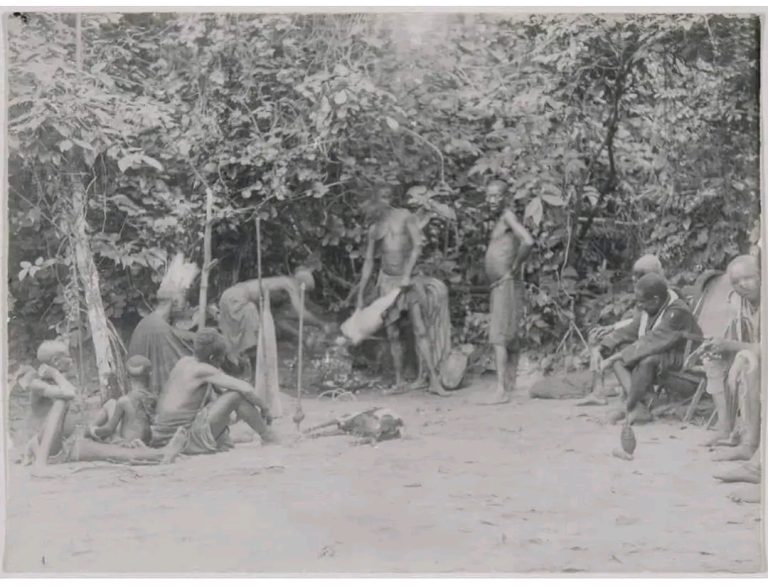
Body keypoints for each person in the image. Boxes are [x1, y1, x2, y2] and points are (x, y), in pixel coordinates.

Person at [19, 341, 187, 466]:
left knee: (114, 445)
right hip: (52, 449)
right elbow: (69, 394)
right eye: (68, 356)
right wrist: (56, 374)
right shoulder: (37, 384)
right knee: (115, 453)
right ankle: (161, 454)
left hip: (70, 442)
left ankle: (145, 450)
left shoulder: (58, 382)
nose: (71, 360)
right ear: (56, 361)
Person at [355, 186, 449, 397]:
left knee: (420, 330)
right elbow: (369, 262)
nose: (384, 202)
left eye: (388, 196)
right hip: (387, 283)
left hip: (410, 281)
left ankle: (434, 380)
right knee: (392, 333)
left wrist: (407, 274)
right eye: (381, 197)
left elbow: (418, 245)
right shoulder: (374, 229)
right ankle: (399, 382)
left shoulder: (405, 217)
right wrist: (361, 294)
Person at [150, 328, 276, 455]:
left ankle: (251, 435)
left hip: (161, 435)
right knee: (236, 396)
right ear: (212, 357)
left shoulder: (183, 362)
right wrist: (265, 408)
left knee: (227, 403)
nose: (222, 362)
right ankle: (268, 436)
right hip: (181, 439)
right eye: (221, 358)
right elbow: (246, 389)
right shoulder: (202, 370)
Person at [597, 273, 702, 424]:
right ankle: (639, 408)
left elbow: (653, 340)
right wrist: (603, 346)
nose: (639, 306)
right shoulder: (651, 308)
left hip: (685, 357)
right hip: (663, 352)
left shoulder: (678, 311)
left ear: (655, 299)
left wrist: (614, 357)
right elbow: (631, 329)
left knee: (647, 359)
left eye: (642, 302)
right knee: (619, 359)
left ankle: (629, 406)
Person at [580, 255, 671, 406]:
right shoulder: (650, 290)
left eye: (640, 275)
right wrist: (612, 330)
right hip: (646, 338)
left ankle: (637, 399)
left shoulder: (664, 294)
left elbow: (646, 325)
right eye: (635, 276)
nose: (635, 280)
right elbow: (638, 321)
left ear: (654, 274)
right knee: (599, 338)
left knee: (616, 347)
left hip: (660, 345)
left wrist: (612, 334)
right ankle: (599, 391)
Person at [700, 255, 761, 461]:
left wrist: (735, 348)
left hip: (758, 359)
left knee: (749, 366)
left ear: (761, 276)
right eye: (735, 282)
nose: (742, 285)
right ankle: (725, 427)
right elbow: (739, 334)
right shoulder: (740, 303)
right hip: (751, 353)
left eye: (748, 278)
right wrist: (720, 344)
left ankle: (749, 444)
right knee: (714, 359)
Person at [218, 265, 332, 370]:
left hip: (228, 295)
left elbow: (279, 320)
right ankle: (255, 377)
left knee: (237, 340)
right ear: (301, 285)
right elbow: (301, 314)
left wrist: (302, 336)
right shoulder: (289, 284)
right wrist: (321, 324)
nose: (303, 296)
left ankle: (235, 369)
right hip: (238, 299)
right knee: (253, 340)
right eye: (305, 292)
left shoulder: (278, 285)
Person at [479, 187, 534, 405]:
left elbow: (528, 241)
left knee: (499, 335)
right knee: (507, 331)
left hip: (505, 282)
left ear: (504, 198)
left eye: (496, 196)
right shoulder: (500, 219)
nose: (491, 200)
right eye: (489, 196)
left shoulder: (508, 216)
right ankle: (509, 383)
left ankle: (502, 389)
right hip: (500, 284)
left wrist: (514, 267)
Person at [128, 253, 199, 398]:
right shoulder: (158, 327)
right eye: (182, 300)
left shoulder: (150, 322)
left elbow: (171, 334)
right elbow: (178, 359)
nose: (184, 305)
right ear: (175, 301)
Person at [87, 355, 155, 446]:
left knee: (110, 404)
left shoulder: (124, 401)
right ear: (150, 375)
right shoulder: (153, 397)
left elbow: (109, 429)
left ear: (127, 375)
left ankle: (90, 429)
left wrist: (94, 431)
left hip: (126, 443)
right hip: (144, 442)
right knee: (112, 403)